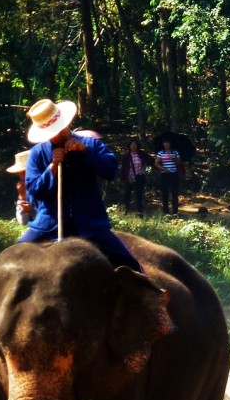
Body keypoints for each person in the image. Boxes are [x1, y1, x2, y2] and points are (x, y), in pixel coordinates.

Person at [22, 99, 141, 271]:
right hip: (48, 226)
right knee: (12, 255)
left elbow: (111, 171)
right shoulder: (37, 153)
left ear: (66, 123)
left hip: (90, 225)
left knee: (130, 264)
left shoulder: (91, 144)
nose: (55, 135)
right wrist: (52, 167)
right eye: (50, 133)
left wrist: (86, 151)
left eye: (57, 130)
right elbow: (34, 192)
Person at [120, 138, 153, 216]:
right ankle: (125, 210)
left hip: (139, 177)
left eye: (135, 145)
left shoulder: (141, 154)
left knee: (139, 195)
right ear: (129, 146)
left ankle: (139, 211)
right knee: (127, 194)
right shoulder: (127, 156)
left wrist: (149, 169)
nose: (134, 146)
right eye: (132, 145)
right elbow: (123, 168)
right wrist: (123, 177)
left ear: (137, 146)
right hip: (129, 178)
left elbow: (151, 161)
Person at [155, 139, 182, 215]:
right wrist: (163, 169)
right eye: (165, 143)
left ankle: (175, 211)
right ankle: (165, 211)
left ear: (170, 144)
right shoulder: (161, 152)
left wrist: (173, 158)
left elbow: (179, 162)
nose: (166, 144)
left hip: (174, 174)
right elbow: (156, 163)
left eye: (167, 142)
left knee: (174, 193)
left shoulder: (175, 152)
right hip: (164, 174)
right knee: (165, 193)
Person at [6, 151, 33, 225]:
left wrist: (31, 210)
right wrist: (22, 196)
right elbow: (22, 221)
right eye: (20, 173)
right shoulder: (25, 189)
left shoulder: (46, 183)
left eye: (24, 172)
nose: (21, 176)